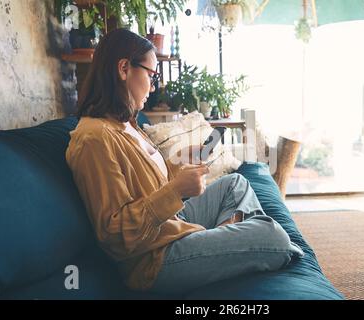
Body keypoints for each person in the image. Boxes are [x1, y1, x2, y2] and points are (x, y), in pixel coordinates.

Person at [66, 28, 303, 295]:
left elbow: (148, 183)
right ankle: (222, 244)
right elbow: (116, 235)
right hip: (154, 258)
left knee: (235, 184)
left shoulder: (126, 123)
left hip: (169, 223)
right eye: (152, 75)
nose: (154, 86)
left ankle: (218, 243)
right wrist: (177, 190)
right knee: (274, 237)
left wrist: (179, 166)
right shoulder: (94, 139)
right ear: (124, 68)